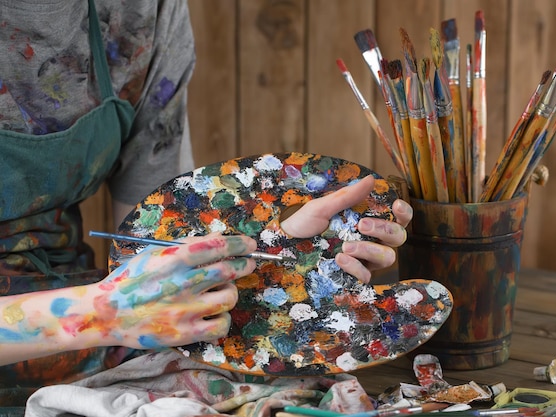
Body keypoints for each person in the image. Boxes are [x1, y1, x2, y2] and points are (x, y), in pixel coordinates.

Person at [0, 0, 412, 409]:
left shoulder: (143, 13)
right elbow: (120, 307)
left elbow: (151, 254)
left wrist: (282, 263)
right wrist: (101, 312)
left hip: (93, 336)